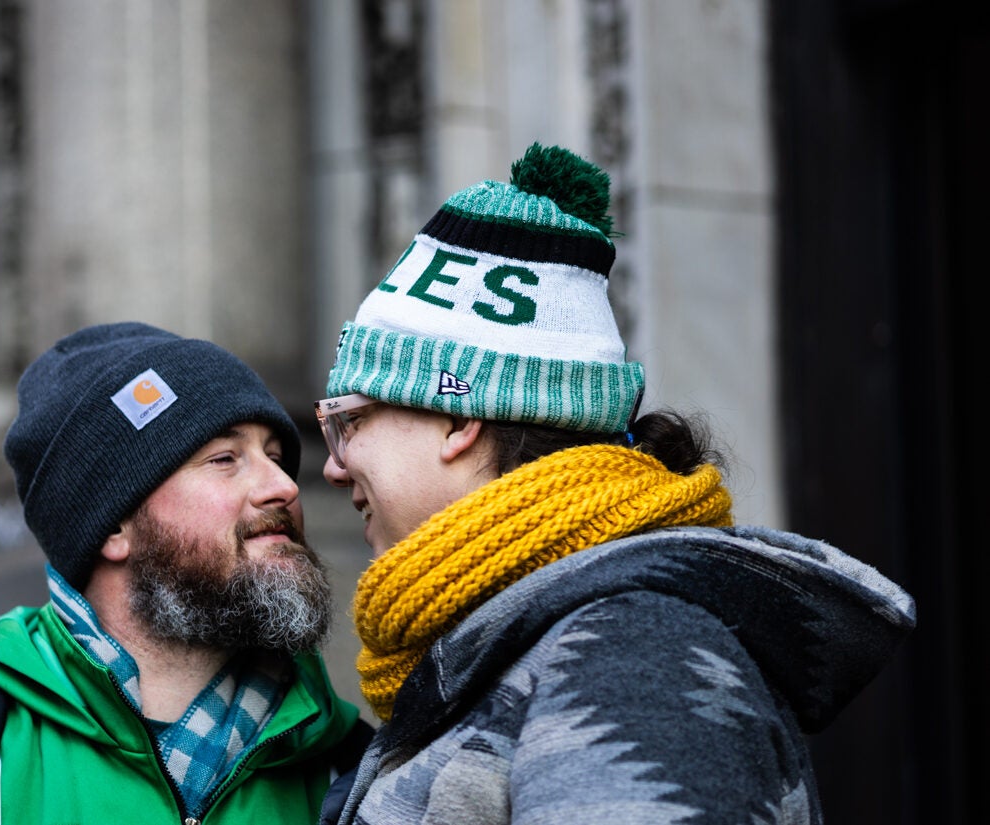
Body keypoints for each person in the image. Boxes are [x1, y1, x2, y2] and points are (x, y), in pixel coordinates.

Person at [312, 144, 916, 824]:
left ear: (456, 418)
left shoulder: (635, 659)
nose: (332, 466)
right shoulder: (544, 642)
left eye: (350, 421)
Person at [0, 321, 366, 824]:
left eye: (279, 457)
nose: (284, 487)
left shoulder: (364, 779)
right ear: (112, 526)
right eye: (225, 459)